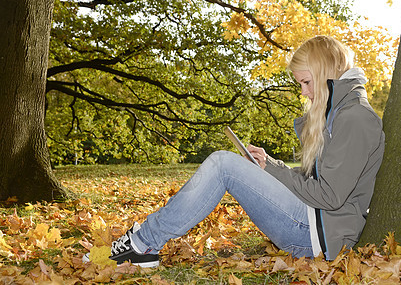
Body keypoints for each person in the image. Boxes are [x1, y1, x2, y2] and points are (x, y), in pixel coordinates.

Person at [83, 35, 385, 267]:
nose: (304, 92)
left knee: (223, 164)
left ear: (325, 72)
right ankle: (142, 242)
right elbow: (314, 181)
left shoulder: (354, 117)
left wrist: (273, 169)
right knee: (227, 164)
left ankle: (142, 245)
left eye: (307, 82)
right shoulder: (337, 113)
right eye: (301, 84)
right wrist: (270, 164)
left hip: (319, 233)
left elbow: (330, 197)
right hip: (311, 222)